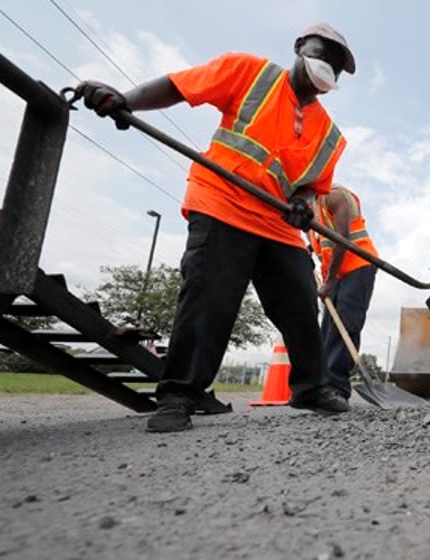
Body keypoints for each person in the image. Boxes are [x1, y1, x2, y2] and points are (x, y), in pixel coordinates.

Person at [75, 23, 358, 432]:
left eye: (335, 64)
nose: (326, 64)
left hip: (275, 224)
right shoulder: (251, 74)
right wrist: (126, 101)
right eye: (322, 52)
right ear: (299, 47)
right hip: (222, 203)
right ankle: (178, 395)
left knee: (299, 301)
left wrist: (300, 205)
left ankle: (311, 387)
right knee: (210, 299)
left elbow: (312, 189)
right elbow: (179, 85)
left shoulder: (329, 135)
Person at [308, 184, 379, 400]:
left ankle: (337, 388)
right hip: (337, 274)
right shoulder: (311, 219)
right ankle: (323, 386)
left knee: (346, 325)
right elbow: (324, 244)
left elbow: (342, 238)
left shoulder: (334, 196)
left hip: (359, 265)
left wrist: (328, 281)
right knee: (328, 329)